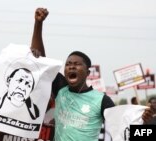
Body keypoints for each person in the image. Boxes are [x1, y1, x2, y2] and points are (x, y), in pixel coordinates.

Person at [30, 7, 153, 141]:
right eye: (68, 64)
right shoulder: (60, 88)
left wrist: (143, 122)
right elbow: (40, 61)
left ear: (87, 72)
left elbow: (123, 126)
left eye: (77, 64)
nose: (71, 66)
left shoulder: (101, 100)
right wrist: (38, 23)